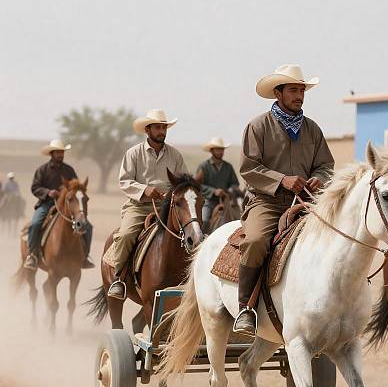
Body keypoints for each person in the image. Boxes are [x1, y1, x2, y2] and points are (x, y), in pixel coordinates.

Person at [234, 64, 335, 336]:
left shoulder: (312, 129)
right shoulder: (258, 126)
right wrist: (282, 180)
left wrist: (319, 179)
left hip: (305, 201)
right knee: (255, 241)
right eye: (293, 89)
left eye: (302, 90)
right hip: (266, 202)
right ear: (278, 93)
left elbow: (326, 165)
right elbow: (249, 168)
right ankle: (246, 307)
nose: (299, 95)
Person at [107, 109, 189, 300]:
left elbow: (183, 182)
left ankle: (192, 280)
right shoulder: (134, 153)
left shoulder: (175, 155)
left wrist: (174, 193)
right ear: (148, 130)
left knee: (192, 234)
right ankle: (119, 278)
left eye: (164, 127)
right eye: (158, 128)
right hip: (139, 206)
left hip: (168, 207)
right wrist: (145, 190)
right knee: (126, 235)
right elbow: (124, 181)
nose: (162, 131)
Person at [24, 140, 94, 270]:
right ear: (52, 153)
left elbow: (76, 187)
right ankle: (32, 256)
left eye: (62, 152)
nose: (60, 154)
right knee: (35, 224)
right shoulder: (42, 170)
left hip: (67, 204)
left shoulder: (69, 170)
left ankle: (85, 257)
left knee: (88, 226)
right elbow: (35, 187)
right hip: (46, 203)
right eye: (58, 152)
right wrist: (48, 192)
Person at [194, 137, 239, 232]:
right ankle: (200, 242)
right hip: (208, 201)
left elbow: (235, 183)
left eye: (222, 149)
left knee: (237, 220)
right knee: (204, 220)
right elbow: (197, 185)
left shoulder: (228, 167)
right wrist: (213, 191)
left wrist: (230, 190)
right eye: (218, 149)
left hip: (225, 201)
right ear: (211, 151)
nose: (221, 152)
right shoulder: (204, 166)